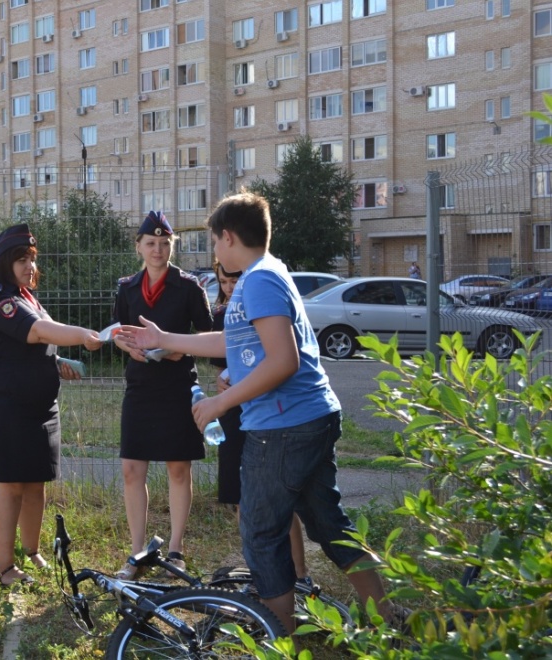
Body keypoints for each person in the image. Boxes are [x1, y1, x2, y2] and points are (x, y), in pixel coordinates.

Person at [119, 192, 395, 635]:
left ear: (228, 237)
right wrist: (164, 338)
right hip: (309, 417)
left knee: (262, 535)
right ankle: (387, 621)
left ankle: (279, 637)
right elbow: (233, 341)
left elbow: (283, 360)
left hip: (283, 426)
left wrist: (220, 402)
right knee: (329, 526)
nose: (214, 250)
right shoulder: (267, 272)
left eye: (214, 240)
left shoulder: (259, 281)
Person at [0, 223, 104, 586]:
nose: (30, 267)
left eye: (32, 259)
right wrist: (83, 335)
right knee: (10, 485)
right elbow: (37, 332)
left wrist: (56, 362)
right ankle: (6, 568)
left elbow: (34, 345)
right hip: (8, 404)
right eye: (21, 260)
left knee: (36, 483)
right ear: (4, 264)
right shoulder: (2, 301)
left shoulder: (27, 297)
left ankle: (31, 551)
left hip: (40, 407)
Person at [109, 211, 212, 578]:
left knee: (178, 470)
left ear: (172, 246)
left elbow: (207, 336)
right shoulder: (127, 288)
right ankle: (137, 553)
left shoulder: (188, 287)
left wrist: (175, 348)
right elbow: (118, 332)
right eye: (151, 243)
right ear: (138, 246)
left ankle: (176, 550)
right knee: (131, 470)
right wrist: (127, 347)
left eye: (165, 243)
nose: (158, 250)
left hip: (177, 387)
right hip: (140, 388)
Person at [210, 260, 310, 584]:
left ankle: (299, 573)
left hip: (266, 411)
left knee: (278, 501)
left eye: (233, 281)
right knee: (242, 496)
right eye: (223, 282)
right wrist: (221, 384)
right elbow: (221, 362)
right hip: (233, 411)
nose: (229, 288)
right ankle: (259, 570)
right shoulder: (221, 314)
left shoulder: (262, 302)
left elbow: (279, 359)